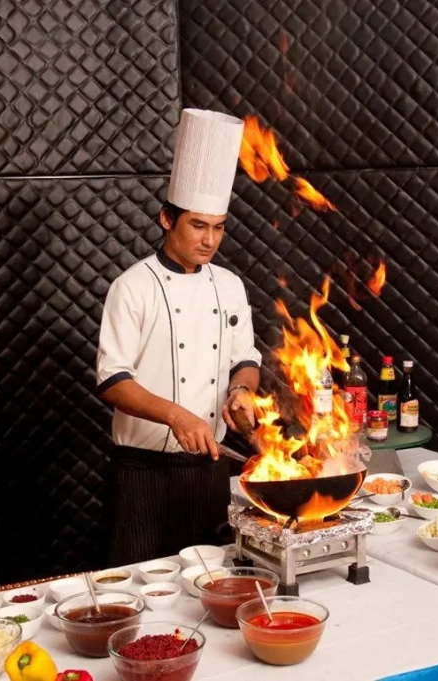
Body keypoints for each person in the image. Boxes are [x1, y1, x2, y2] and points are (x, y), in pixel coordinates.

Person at [96, 109, 262, 564]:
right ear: (167, 218)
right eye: (198, 225)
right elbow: (112, 380)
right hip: (143, 474)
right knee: (140, 589)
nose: (210, 240)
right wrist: (176, 416)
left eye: (219, 227)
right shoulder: (133, 286)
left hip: (209, 471)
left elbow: (244, 358)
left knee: (212, 584)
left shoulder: (229, 285)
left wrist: (242, 391)